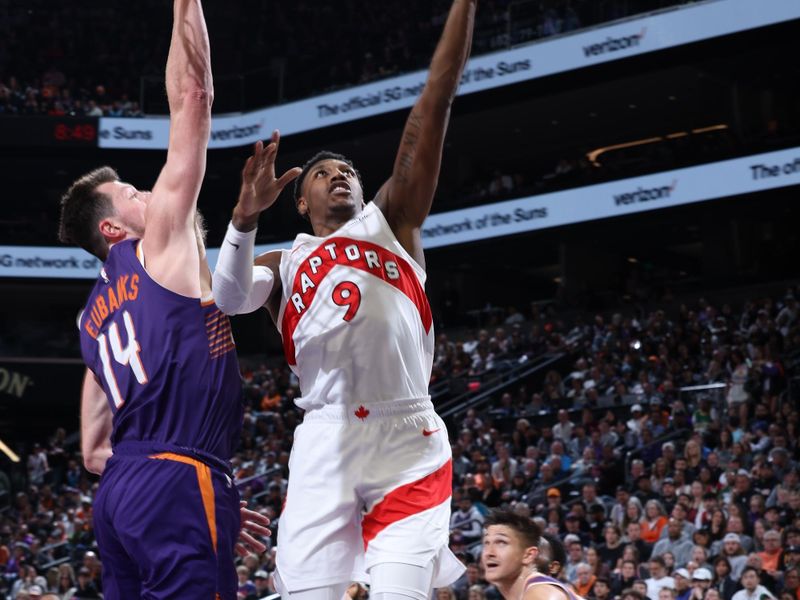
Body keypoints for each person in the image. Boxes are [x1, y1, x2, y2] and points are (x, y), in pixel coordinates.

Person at [211, 1, 478, 598]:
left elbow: (433, 102)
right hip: (324, 440)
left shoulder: (394, 221)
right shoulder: (283, 261)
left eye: (348, 171)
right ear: (300, 202)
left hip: (407, 433)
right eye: (322, 173)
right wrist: (243, 218)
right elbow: (227, 299)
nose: (339, 175)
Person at [57, 1, 269, 598]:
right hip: (177, 477)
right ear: (112, 231)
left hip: (120, 496)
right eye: (131, 193)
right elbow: (194, 97)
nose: (148, 192)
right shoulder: (161, 248)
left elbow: (95, 449)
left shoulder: (91, 321)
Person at [481, 510, 584, 600]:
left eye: (501, 543)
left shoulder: (542, 593)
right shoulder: (531, 591)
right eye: (486, 543)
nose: (489, 553)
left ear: (528, 555)